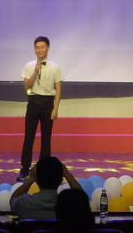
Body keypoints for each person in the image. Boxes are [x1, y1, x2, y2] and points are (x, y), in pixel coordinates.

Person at [18, 36, 64, 181]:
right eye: (37, 47)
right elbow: (26, 85)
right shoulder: (29, 65)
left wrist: (56, 108)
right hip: (33, 103)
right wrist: (34, 72)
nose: (39, 50)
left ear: (48, 48)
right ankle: (25, 169)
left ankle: (44, 170)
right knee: (28, 137)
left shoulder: (55, 67)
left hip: (47, 104)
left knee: (46, 138)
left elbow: (58, 89)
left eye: (42, 47)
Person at [10, 155, 82, 219]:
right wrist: (67, 174)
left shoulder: (25, 203)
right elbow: (82, 199)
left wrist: (31, 179)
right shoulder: (68, 205)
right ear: (60, 181)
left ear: (37, 180)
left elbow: (13, 201)